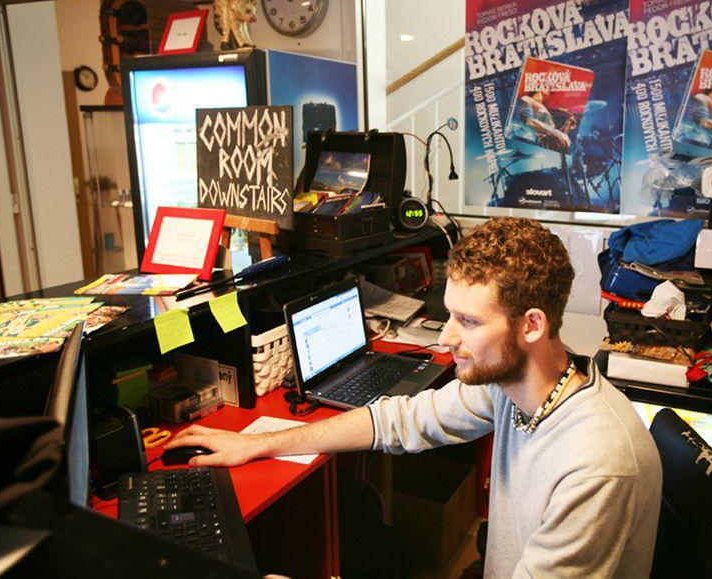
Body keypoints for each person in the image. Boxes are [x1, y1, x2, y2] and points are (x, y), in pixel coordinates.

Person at [168, 217, 663, 577]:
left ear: (532, 324)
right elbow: (400, 421)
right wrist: (267, 442)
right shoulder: (516, 389)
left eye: (467, 322)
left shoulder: (596, 464)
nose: (446, 339)